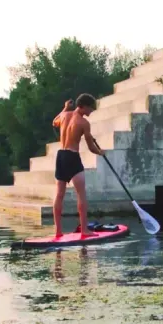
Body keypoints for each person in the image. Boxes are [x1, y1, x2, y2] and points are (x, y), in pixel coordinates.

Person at [51, 93, 104, 238]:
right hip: (72, 156)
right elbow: (91, 148)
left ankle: (58, 231)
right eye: (90, 108)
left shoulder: (64, 115)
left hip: (60, 156)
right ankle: (85, 231)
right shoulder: (84, 123)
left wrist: (64, 108)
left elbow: (54, 122)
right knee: (81, 194)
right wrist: (101, 153)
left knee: (59, 194)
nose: (91, 112)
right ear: (84, 106)